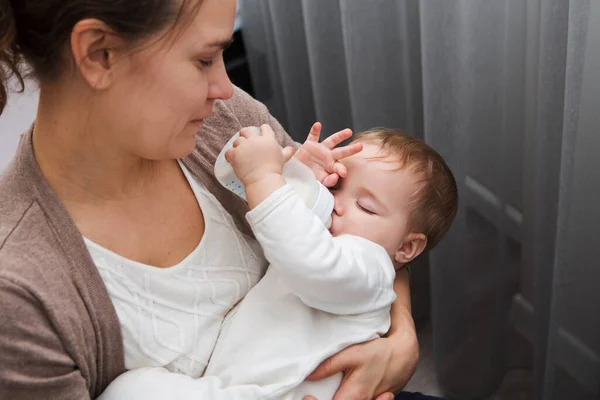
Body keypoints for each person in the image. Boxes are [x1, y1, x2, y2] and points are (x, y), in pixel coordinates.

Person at [0, 0, 420, 399]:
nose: (224, 86)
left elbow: (355, 237)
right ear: (98, 54)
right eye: (204, 60)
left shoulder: (221, 120)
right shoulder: (20, 298)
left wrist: (401, 340)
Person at [98, 126, 458, 400]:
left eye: (366, 207)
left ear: (407, 248)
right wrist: (296, 174)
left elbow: (309, 260)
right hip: (228, 384)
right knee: (129, 389)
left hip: (279, 393)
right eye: (335, 187)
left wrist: (265, 180)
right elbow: (275, 218)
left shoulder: (370, 266)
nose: (336, 205)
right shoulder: (325, 233)